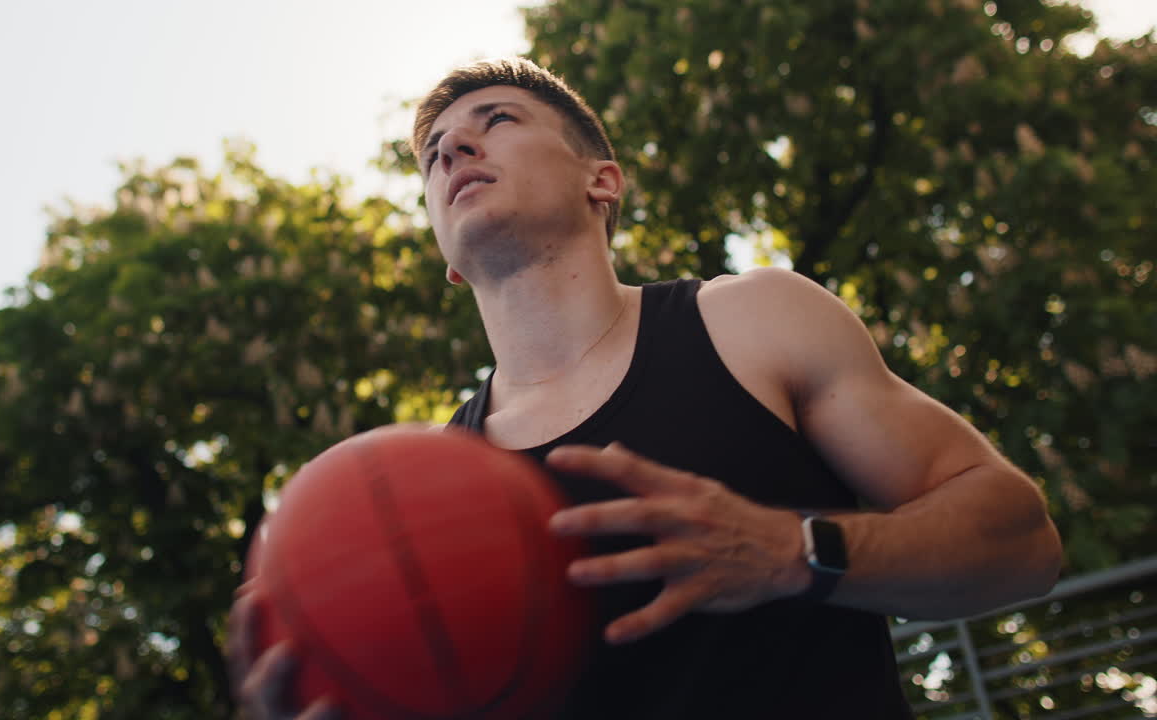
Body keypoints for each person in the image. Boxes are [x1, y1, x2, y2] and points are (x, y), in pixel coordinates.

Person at [228, 57, 1063, 718]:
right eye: (435, 151)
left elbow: (1023, 542)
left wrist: (791, 552)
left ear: (603, 181)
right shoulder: (432, 485)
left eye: (497, 121)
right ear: (448, 255)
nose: (452, 150)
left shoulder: (754, 321)